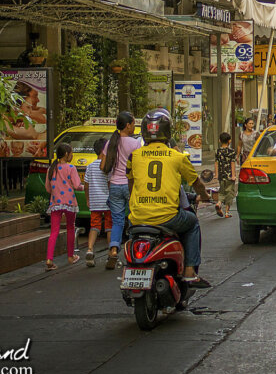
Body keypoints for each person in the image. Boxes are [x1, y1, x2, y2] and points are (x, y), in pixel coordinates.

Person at [128, 108, 210, 288]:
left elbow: (131, 185)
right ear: (167, 132)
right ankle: (189, 271)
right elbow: (196, 183)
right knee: (193, 223)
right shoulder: (177, 157)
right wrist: (204, 196)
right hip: (168, 217)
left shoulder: (134, 156)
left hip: (137, 217)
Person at [101, 112, 142, 270]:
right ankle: (132, 252)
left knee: (117, 221)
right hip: (130, 185)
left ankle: (113, 250)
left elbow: (103, 166)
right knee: (133, 219)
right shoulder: (135, 143)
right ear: (127, 125)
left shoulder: (110, 143)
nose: (134, 126)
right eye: (133, 124)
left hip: (114, 186)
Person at [44, 143, 82, 270]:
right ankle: (71, 257)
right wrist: (85, 187)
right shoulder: (71, 168)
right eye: (71, 153)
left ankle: (49, 259)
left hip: (55, 203)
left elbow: (48, 188)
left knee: (54, 231)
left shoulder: (51, 169)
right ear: (66, 154)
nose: (72, 155)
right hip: (69, 202)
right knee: (70, 228)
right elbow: (77, 186)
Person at [82, 137, 111, 267]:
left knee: (94, 226)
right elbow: (110, 183)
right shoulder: (108, 166)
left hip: (94, 201)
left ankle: (89, 249)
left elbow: (86, 185)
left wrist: (88, 199)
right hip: (108, 202)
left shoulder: (90, 167)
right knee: (109, 227)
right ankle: (112, 252)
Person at [214, 132, 237, 218]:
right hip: (229, 175)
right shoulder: (231, 151)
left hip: (221, 175)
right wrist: (233, 176)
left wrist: (216, 174)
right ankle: (227, 212)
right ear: (229, 141)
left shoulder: (217, 151)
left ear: (219, 140)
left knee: (222, 191)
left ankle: (219, 203)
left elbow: (216, 163)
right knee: (229, 193)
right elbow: (232, 164)